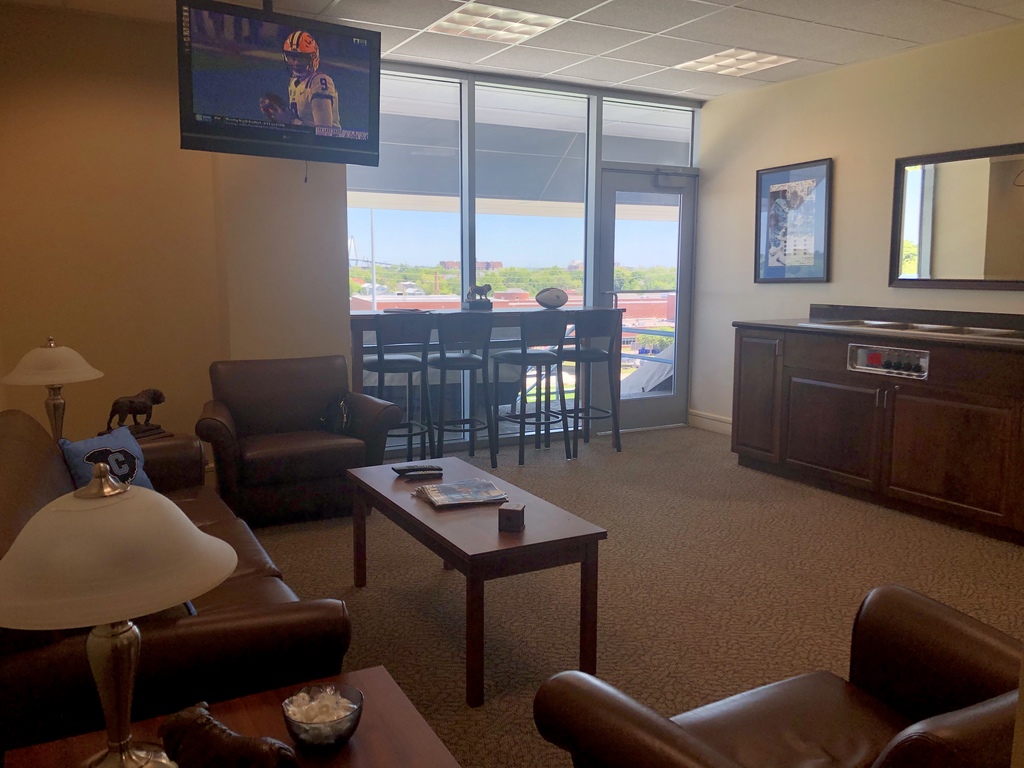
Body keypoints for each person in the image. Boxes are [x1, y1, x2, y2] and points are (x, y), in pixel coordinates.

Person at [259, 31, 341, 131]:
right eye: (292, 58)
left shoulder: (319, 81)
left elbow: (324, 131)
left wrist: (290, 121)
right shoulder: (294, 82)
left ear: (312, 58)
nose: (296, 63)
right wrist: (277, 112)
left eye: (301, 58)